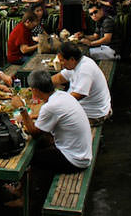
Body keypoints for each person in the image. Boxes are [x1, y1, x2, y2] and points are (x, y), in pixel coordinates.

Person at [7, 70, 92, 207]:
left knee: (28, 159)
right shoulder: (62, 96)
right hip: (82, 152)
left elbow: (34, 132)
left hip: (74, 160)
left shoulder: (51, 107)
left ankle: (28, 199)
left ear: (34, 90)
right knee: (41, 145)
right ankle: (20, 189)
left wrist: (22, 109)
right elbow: (48, 119)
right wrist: (32, 117)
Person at [51, 42, 112, 125]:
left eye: (62, 60)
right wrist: (43, 83)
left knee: (54, 123)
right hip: (84, 108)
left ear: (72, 59)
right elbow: (60, 78)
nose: (61, 63)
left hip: (94, 115)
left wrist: (55, 102)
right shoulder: (76, 64)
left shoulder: (85, 69)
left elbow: (78, 95)